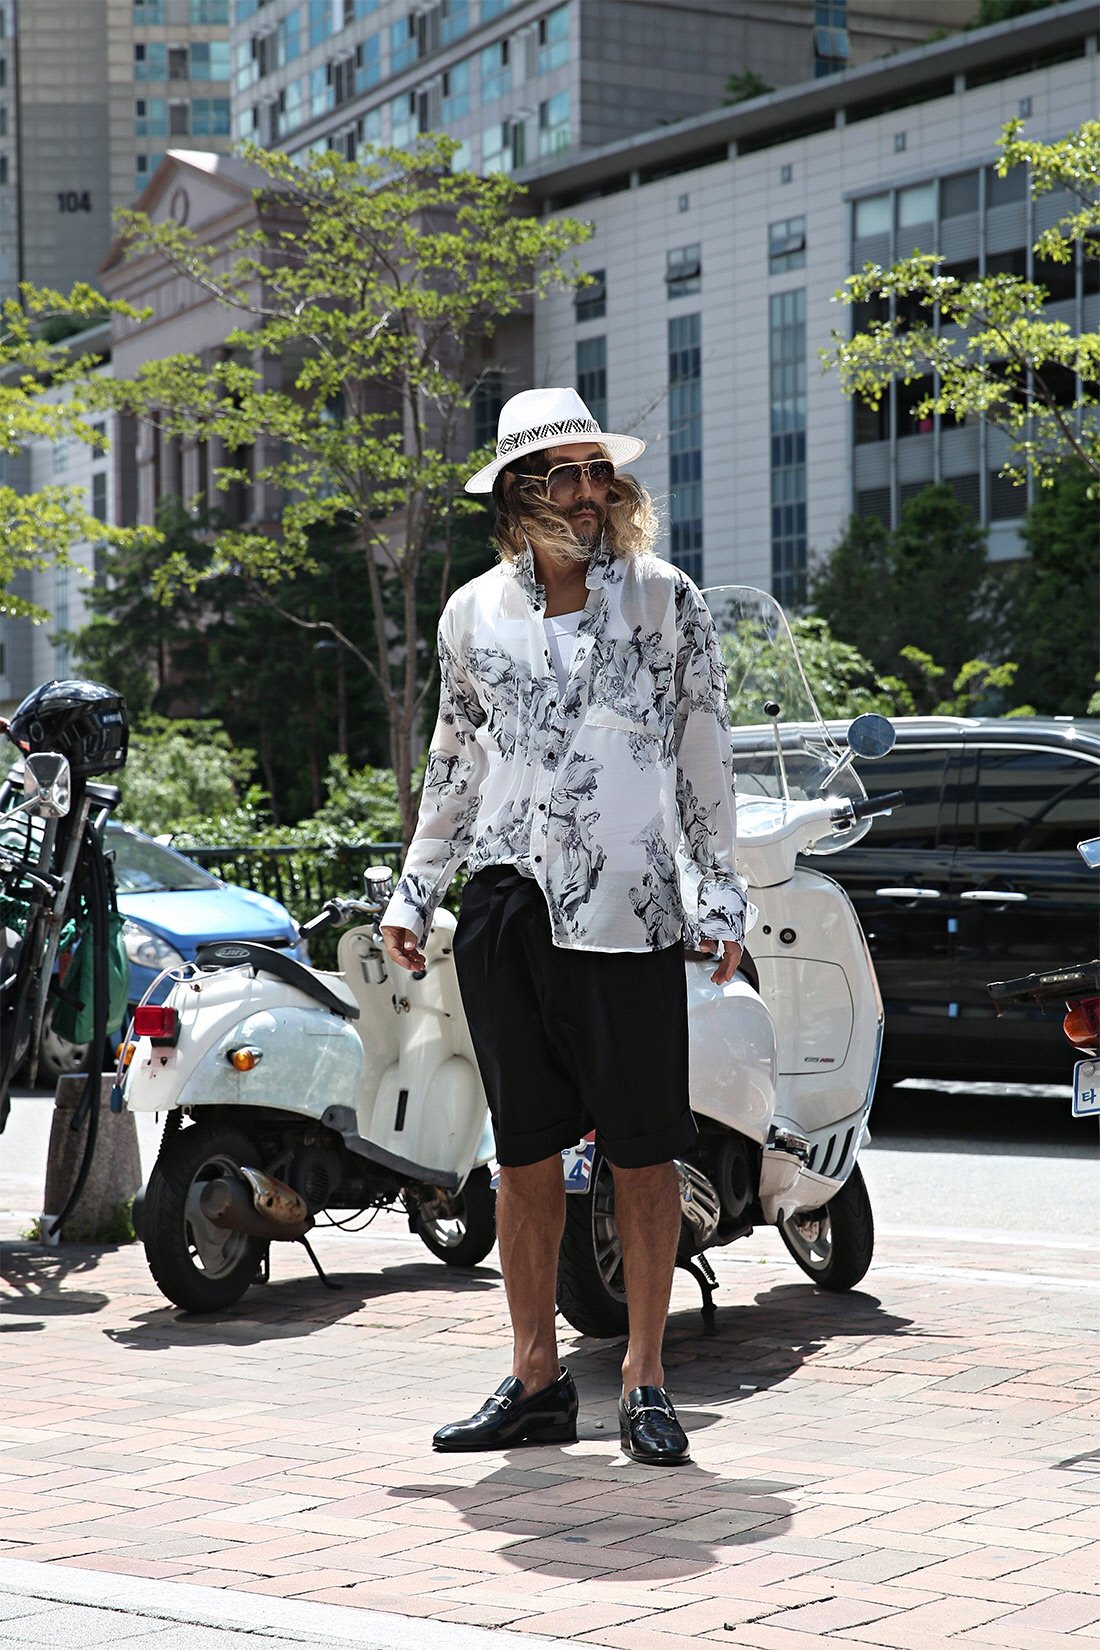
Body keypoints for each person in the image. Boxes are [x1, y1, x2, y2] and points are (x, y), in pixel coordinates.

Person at [380, 386, 746, 1465]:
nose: (590, 492)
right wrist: (415, 890)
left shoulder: (665, 599)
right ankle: (536, 1378)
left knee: (641, 1151)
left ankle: (643, 1376)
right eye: (564, 475)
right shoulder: (469, 613)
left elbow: (703, 753)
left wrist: (720, 895)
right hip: (505, 904)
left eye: (599, 471)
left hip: (629, 903)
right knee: (522, 1153)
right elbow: (454, 759)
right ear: (516, 495)